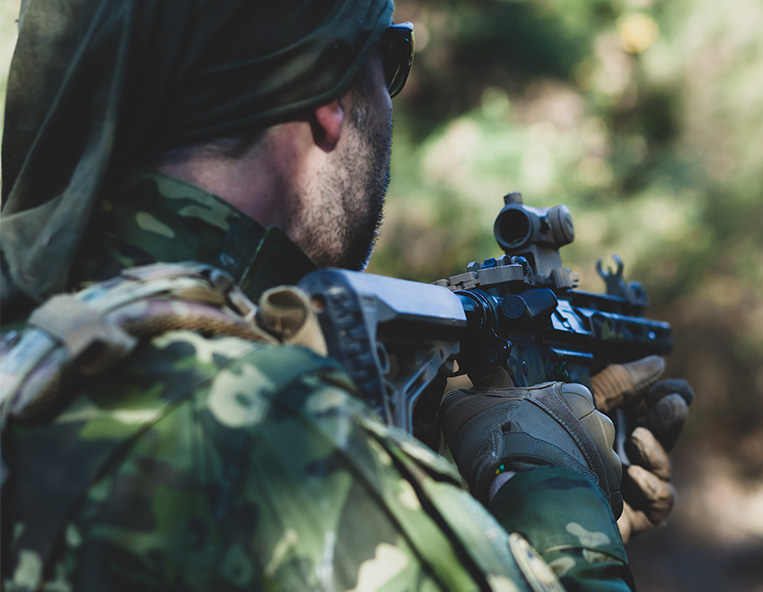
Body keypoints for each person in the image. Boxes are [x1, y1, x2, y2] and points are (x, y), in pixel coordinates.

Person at [0, 0, 688, 589]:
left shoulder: (49, 341)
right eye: (389, 60)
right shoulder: (266, 434)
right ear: (326, 98)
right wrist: (558, 503)